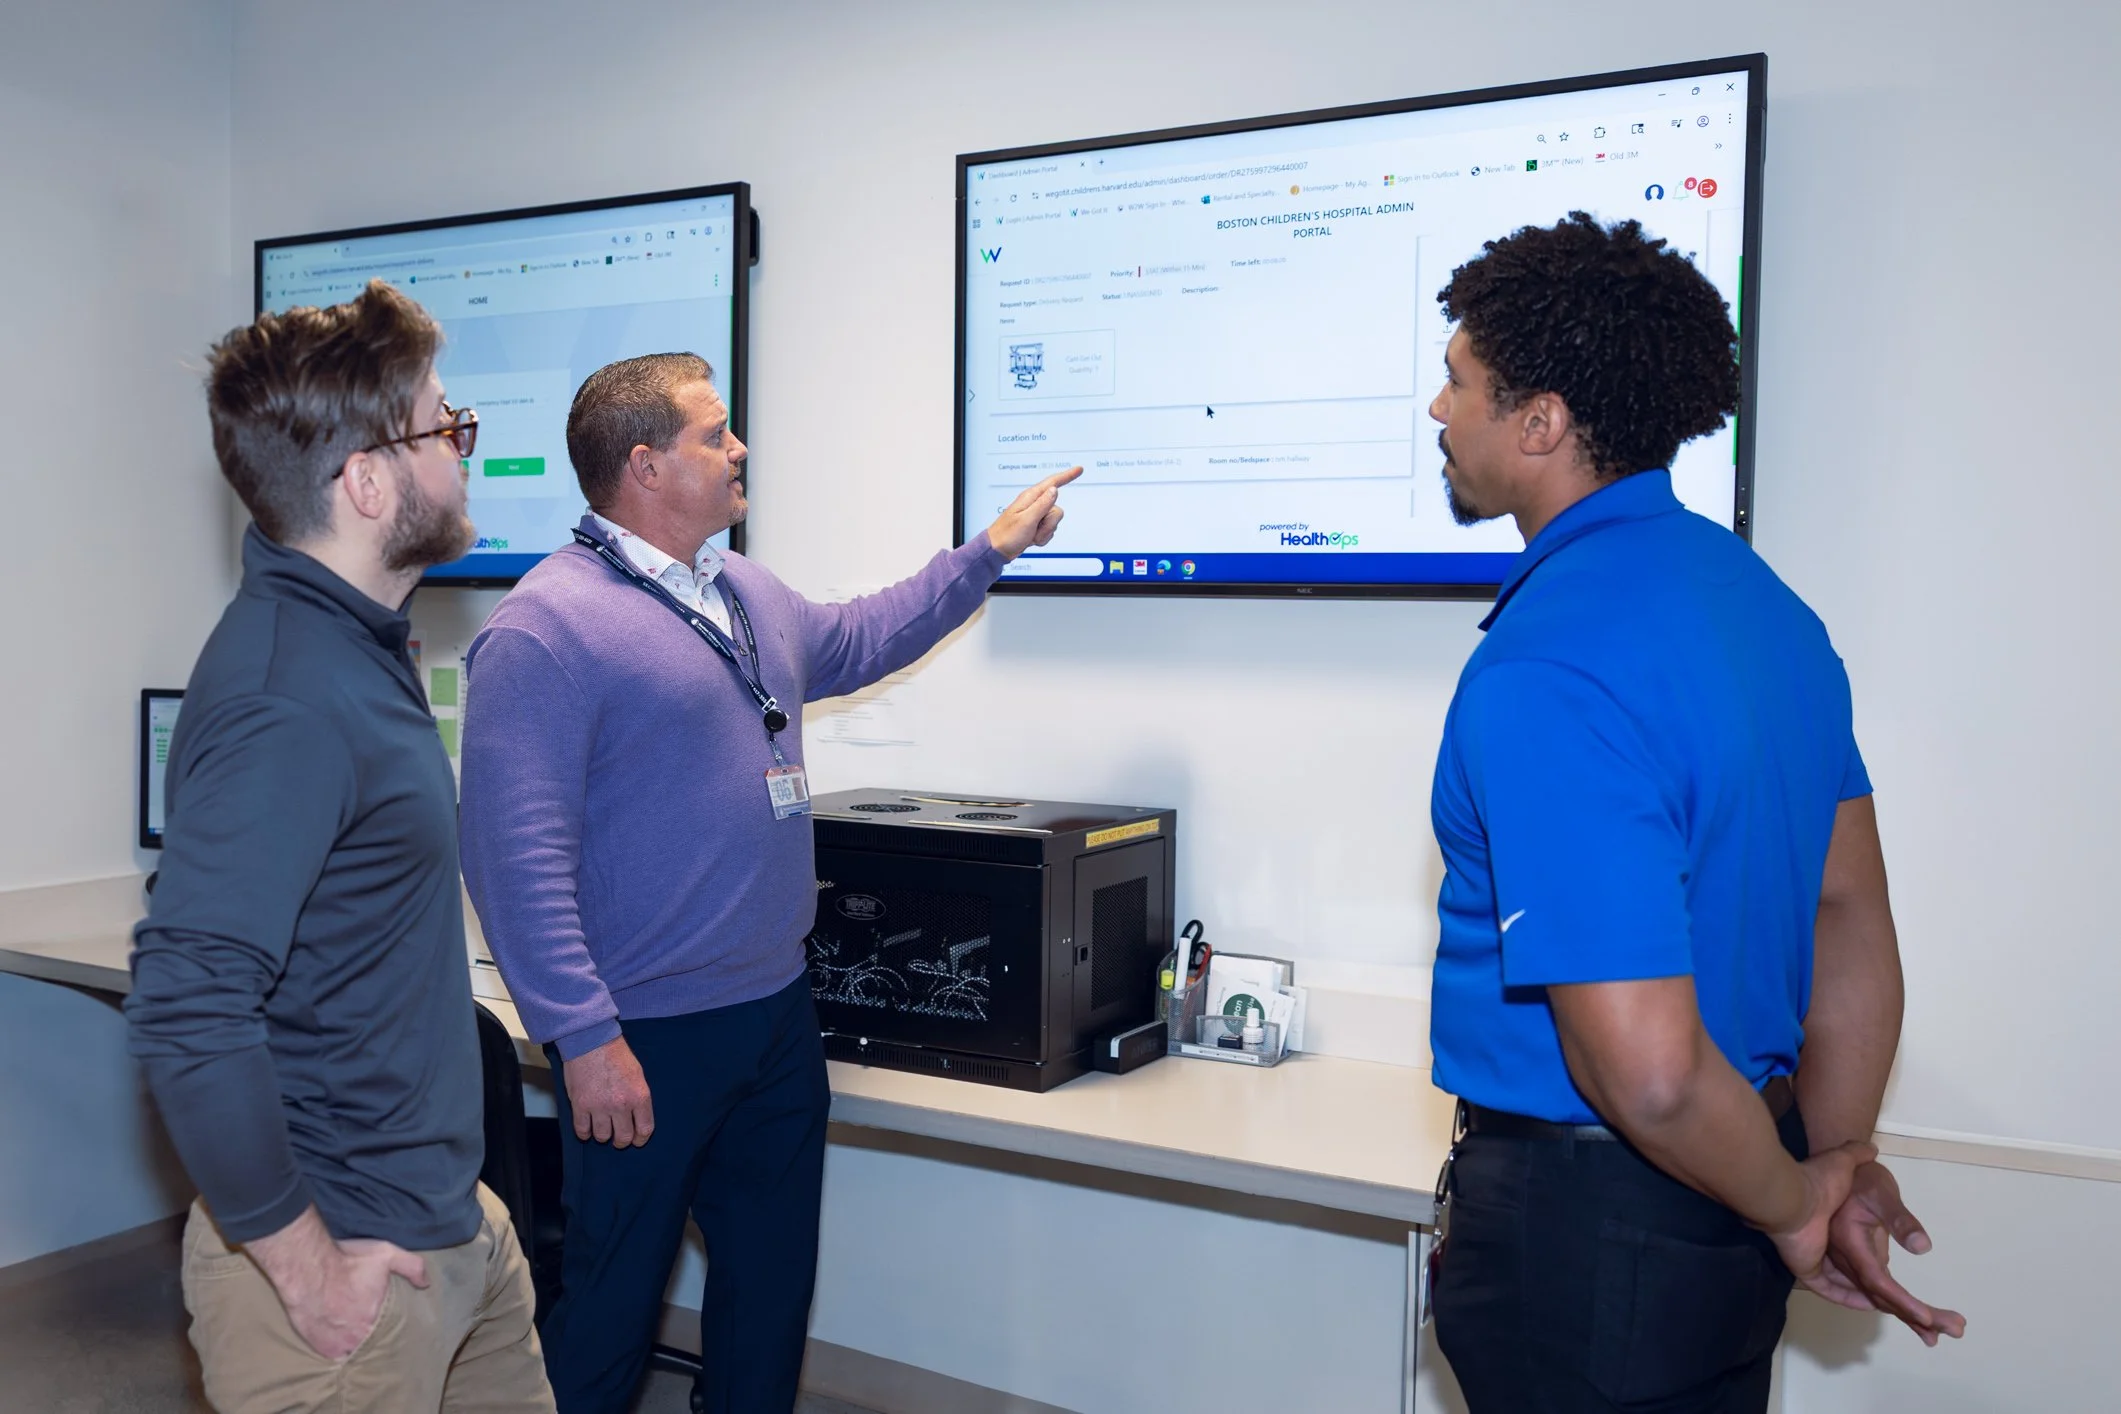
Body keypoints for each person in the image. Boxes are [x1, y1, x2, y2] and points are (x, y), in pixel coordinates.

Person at [457, 352, 1076, 1413]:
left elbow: (867, 632)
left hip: (777, 1018)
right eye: (715, 432)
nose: (739, 448)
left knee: (768, 1302)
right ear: (645, 466)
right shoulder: (542, 630)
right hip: (642, 1036)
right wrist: (581, 1035)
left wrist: (989, 553)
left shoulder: (741, 591)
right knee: (608, 1314)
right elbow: (512, 859)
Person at [1422, 213, 1966, 1412]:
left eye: (1456, 381)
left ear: (1542, 421)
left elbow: (1653, 1074)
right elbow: (1848, 912)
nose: (1436, 412)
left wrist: (1799, 1206)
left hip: (1594, 1228)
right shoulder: (1767, 611)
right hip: (1731, 1204)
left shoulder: (1550, 663)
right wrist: (1832, 1155)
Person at [126, 281, 556, 1413]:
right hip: (343, 1283)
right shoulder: (289, 696)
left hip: (449, 1221)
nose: (465, 450)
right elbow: (185, 1001)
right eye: (445, 427)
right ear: (369, 481)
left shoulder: (356, 642)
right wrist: (305, 1266)